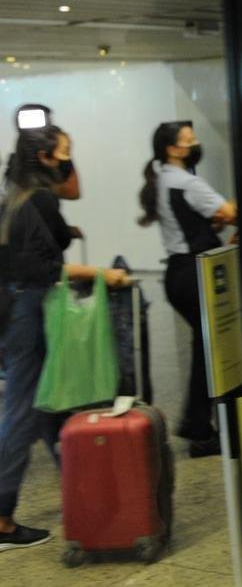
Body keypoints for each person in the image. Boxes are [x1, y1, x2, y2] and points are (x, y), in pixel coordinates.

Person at [0, 125, 130, 552]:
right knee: (23, 408)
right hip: (28, 309)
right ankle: (1, 516)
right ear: (46, 158)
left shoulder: (14, 192)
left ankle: (85, 493)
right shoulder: (40, 198)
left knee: (45, 405)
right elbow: (47, 263)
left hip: (13, 305)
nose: (70, 161)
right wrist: (100, 273)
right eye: (66, 153)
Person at [137, 121, 236, 459]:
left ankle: (199, 426)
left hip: (178, 273)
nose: (195, 144)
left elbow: (202, 218)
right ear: (172, 149)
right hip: (195, 273)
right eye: (188, 140)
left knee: (205, 348)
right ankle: (202, 427)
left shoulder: (164, 177)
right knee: (214, 348)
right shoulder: (186, 182)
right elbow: (229, 212)